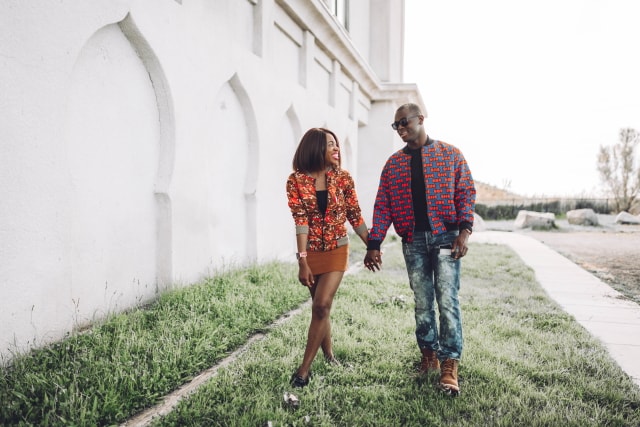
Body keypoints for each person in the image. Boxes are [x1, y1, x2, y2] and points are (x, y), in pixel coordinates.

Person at [364, 103, 476, 396]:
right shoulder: (393, 164)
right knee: (422, 301)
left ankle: (450, 362)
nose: (401, 129)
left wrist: (464, 232)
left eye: (404, 123)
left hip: (445, 238)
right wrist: (374, 243)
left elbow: (465, 192)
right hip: (412, 242)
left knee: (447, 300)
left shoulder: (450, 155)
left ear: (420, 119)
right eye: (396, 126)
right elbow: (383, 205)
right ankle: (429, 355)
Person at [286, 127, 369, 388]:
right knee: (321, 309)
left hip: (336, 249)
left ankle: (304, 370)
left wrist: (373, 246)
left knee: (321, 305)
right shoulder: (296, 181)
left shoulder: (343, 178)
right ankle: (330, 356)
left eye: (336, 144)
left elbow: (355, 215)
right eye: (330, 144)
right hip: (311, 253)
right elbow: (301, 222)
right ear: (314, 148)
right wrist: (302, 260)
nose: (336, 148)